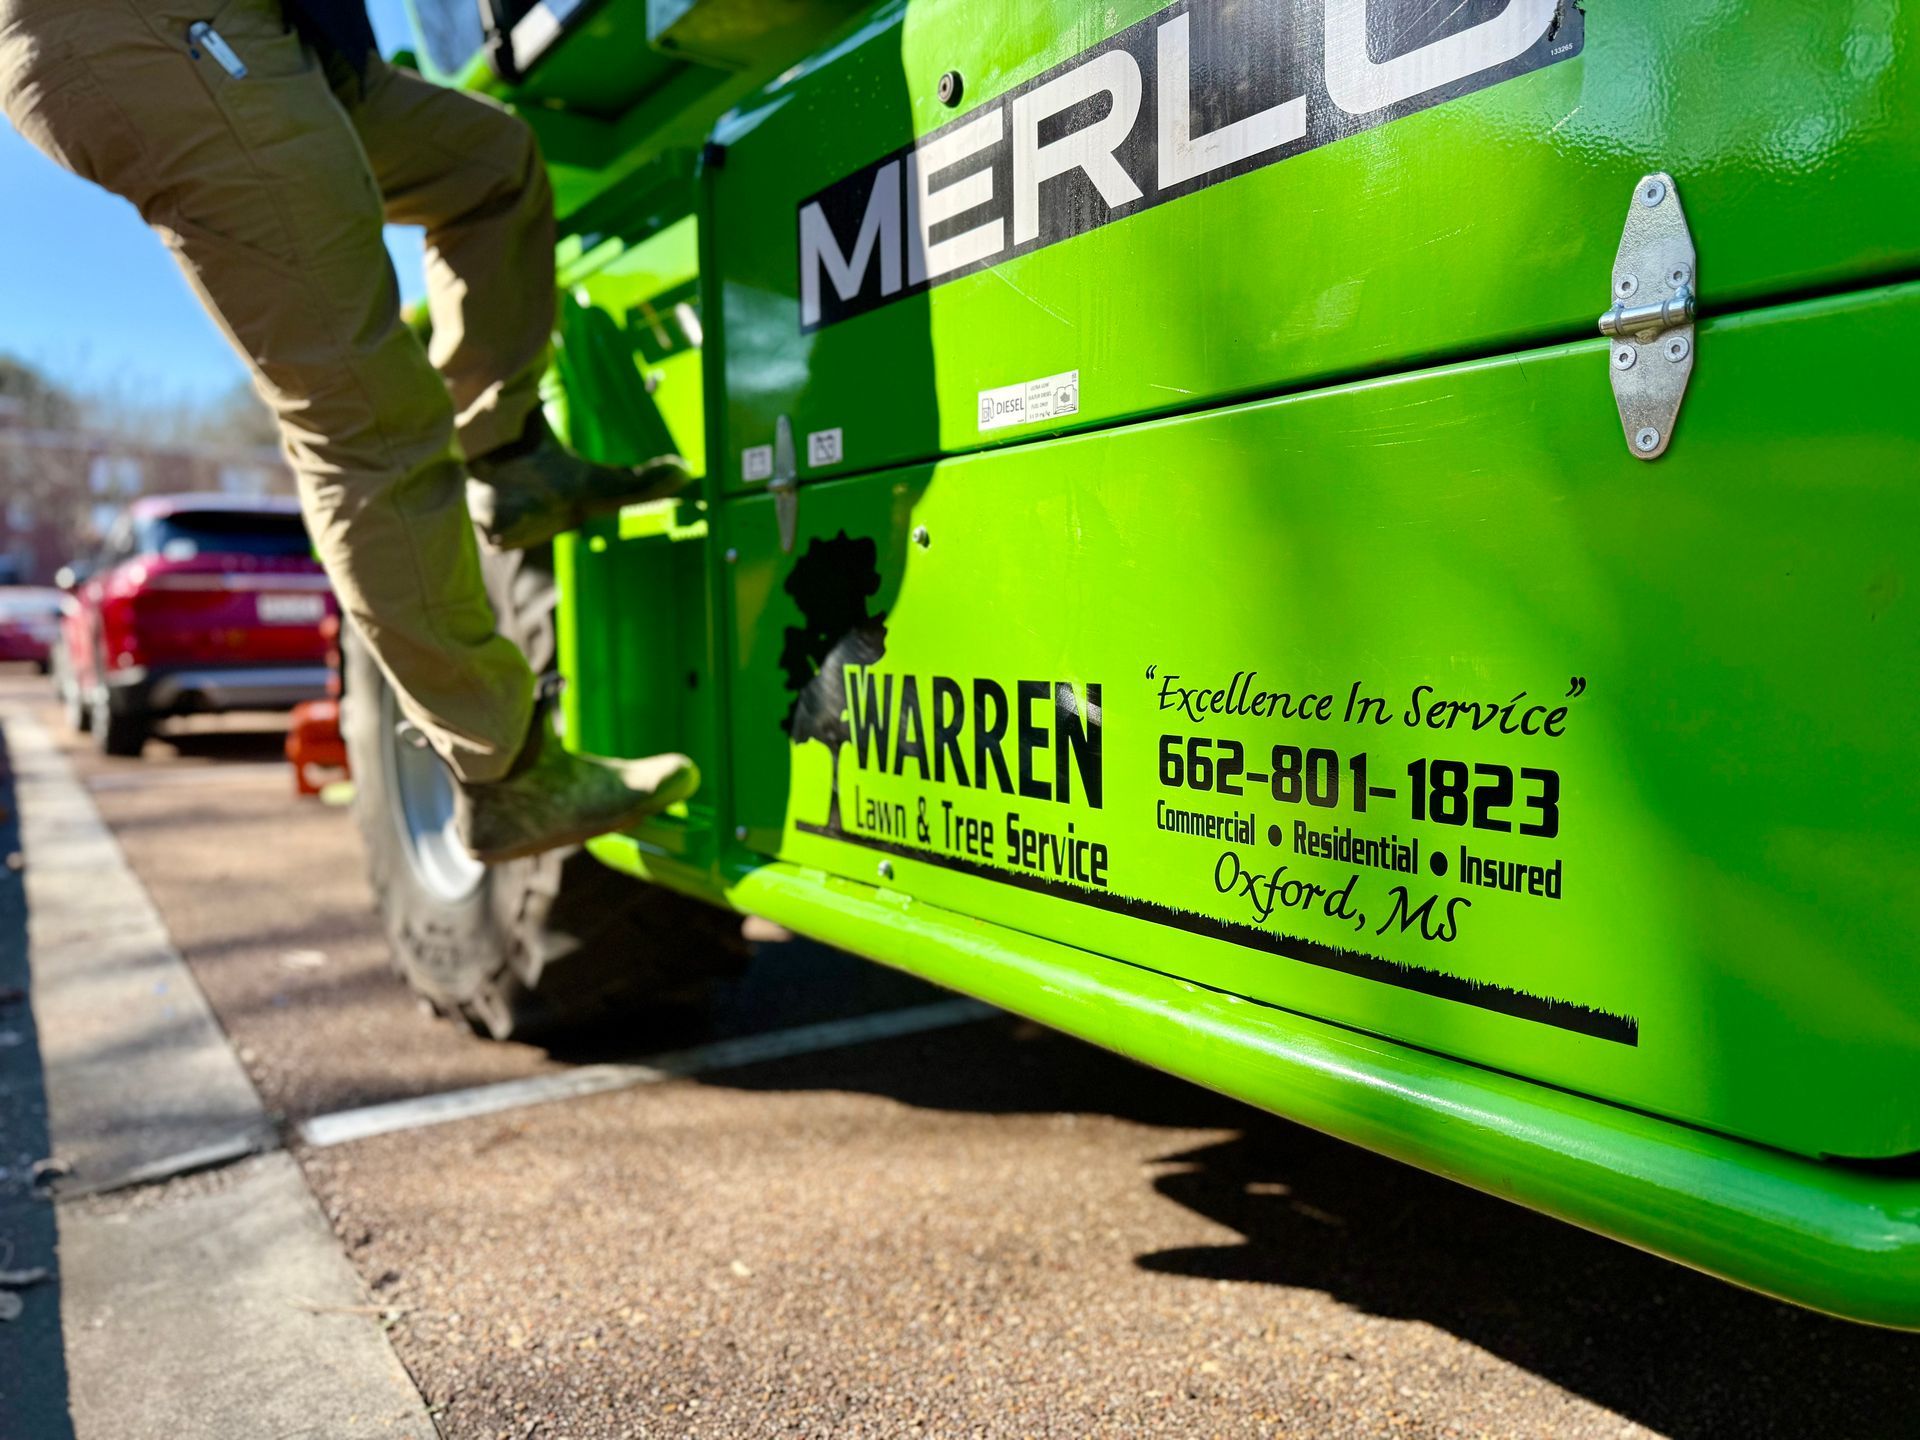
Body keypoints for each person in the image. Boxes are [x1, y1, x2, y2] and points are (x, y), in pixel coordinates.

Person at [0, 0, 697, 860]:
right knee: (366, 416)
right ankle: (505, 772)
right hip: (152, 24)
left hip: (261, 22)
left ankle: (509, 457)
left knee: (489, 164)